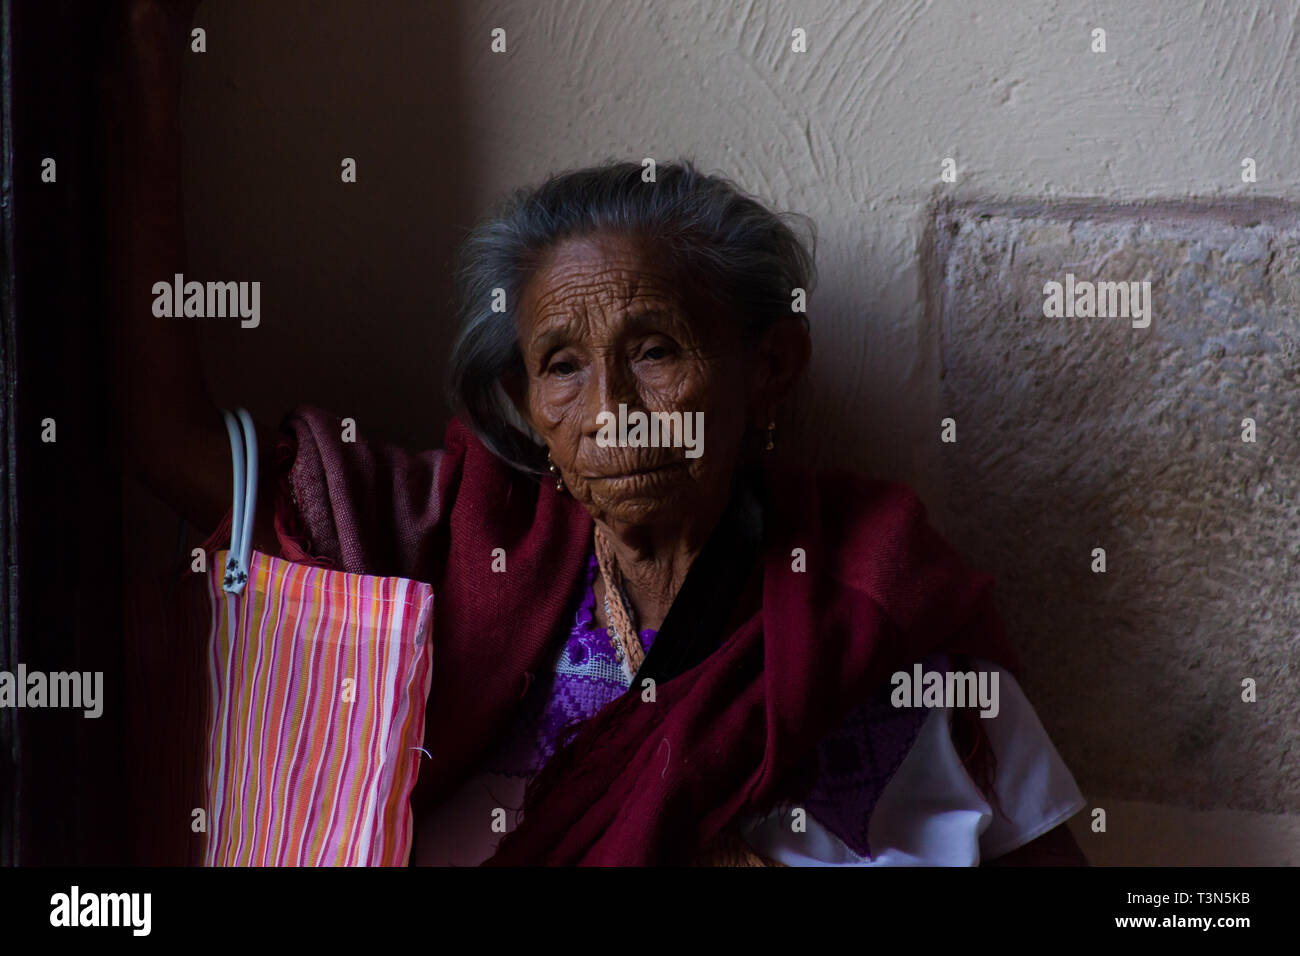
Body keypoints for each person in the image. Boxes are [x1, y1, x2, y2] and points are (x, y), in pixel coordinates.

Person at [113, 0, 1087, 866]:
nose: (609, 404)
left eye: (655, 348)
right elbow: (172, 445)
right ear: (524, 403)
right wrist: (149, 103)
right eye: (562, 365)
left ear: (773, 365)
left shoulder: (872, 594)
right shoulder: (454, 536)